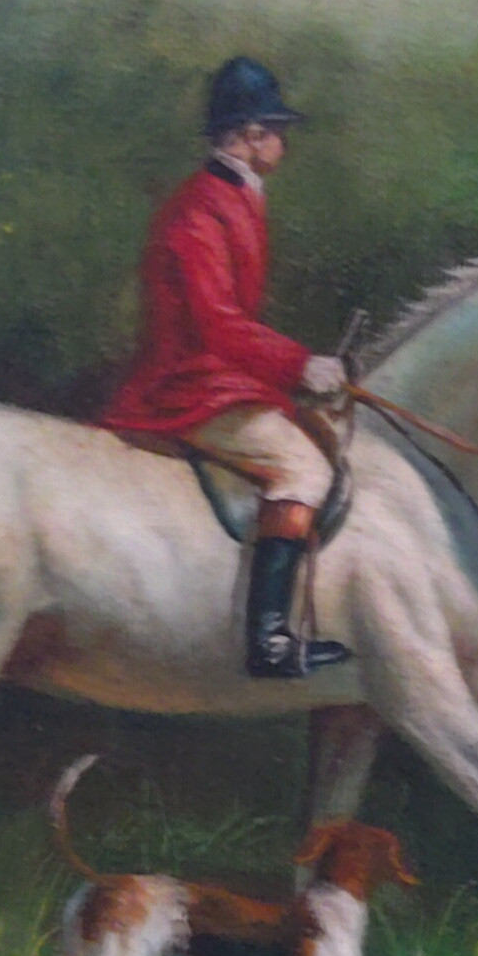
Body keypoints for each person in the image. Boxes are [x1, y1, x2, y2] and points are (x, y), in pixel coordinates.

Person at [100, 57, 354, 679]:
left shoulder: (233, 197)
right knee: (304, 469)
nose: (283, 142)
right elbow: (216, 323)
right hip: (185, 386)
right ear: (248, 135)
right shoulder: (199, 211)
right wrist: (300, 365)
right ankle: (269, 642)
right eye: (276, 130)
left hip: (220, 378)